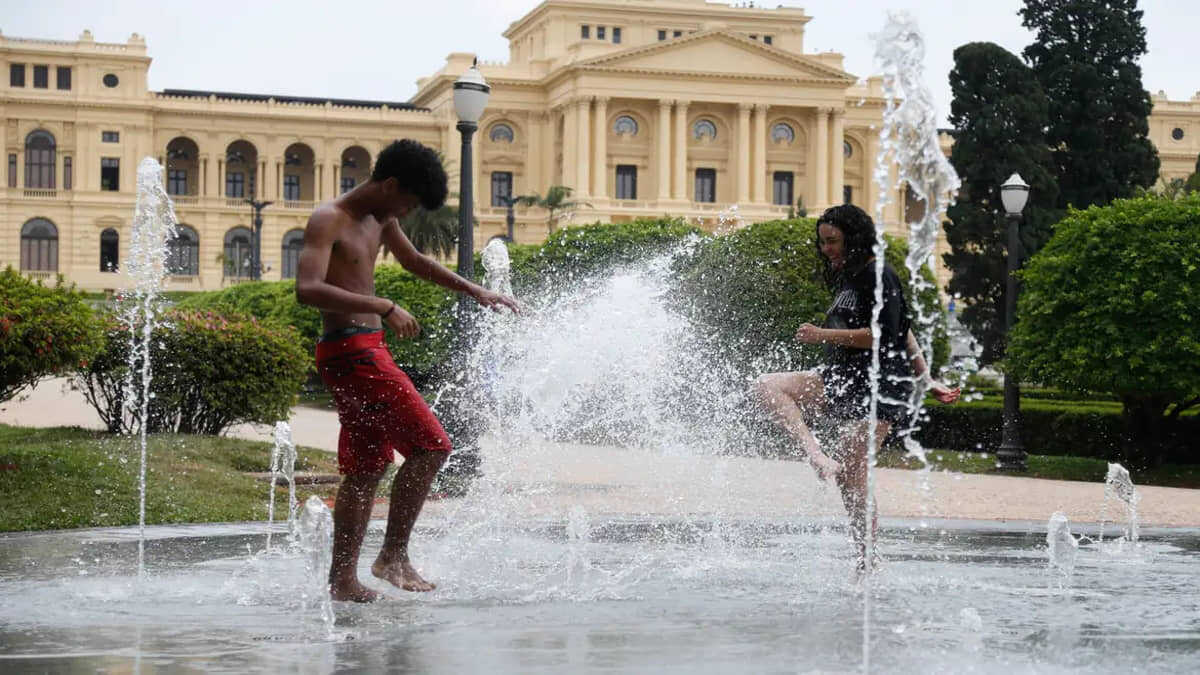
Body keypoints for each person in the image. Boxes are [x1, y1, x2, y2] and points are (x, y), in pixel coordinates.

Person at [296, 139, 519, 602]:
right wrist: (382, 304)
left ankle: (341, 582)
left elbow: (416, 261)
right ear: (391, 184)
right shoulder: (329, 219)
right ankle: (392, 556)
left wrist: (476, 291)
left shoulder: (383, 218)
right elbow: (307, 289)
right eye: (409, 201)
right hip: (352, 351)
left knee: (366, 468)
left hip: (361, 349)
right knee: (431, 446)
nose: (408, 211)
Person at [753, 204, 960, 574]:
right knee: (768, 385)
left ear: (854, 237)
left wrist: (823, 335)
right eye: (823, 243)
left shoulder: (879, 275)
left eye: (832, 241)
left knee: (853, 476)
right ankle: (816, 456)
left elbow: (889, 334)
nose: (826, 249)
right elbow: (907, 329)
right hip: (842, 376)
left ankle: (868, 562)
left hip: (879, 387)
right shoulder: (848, 277)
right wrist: (928, 377)